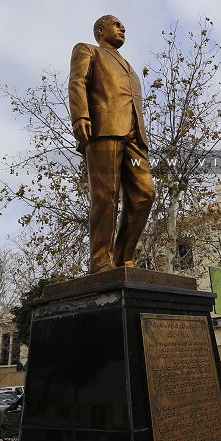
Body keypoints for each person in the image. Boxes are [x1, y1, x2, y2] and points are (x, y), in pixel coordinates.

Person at [69, 15, 155, 273]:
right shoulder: (87, 50)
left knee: (144, 194)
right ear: (100, 29)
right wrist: (81, 116)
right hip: (104, 130)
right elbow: (77, 82)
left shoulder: (129, 67)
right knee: (105, 196)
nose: (123, 28)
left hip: (134, 138)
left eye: (123, 26)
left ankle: (122, 259)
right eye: (117, 25)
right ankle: (100, 263)